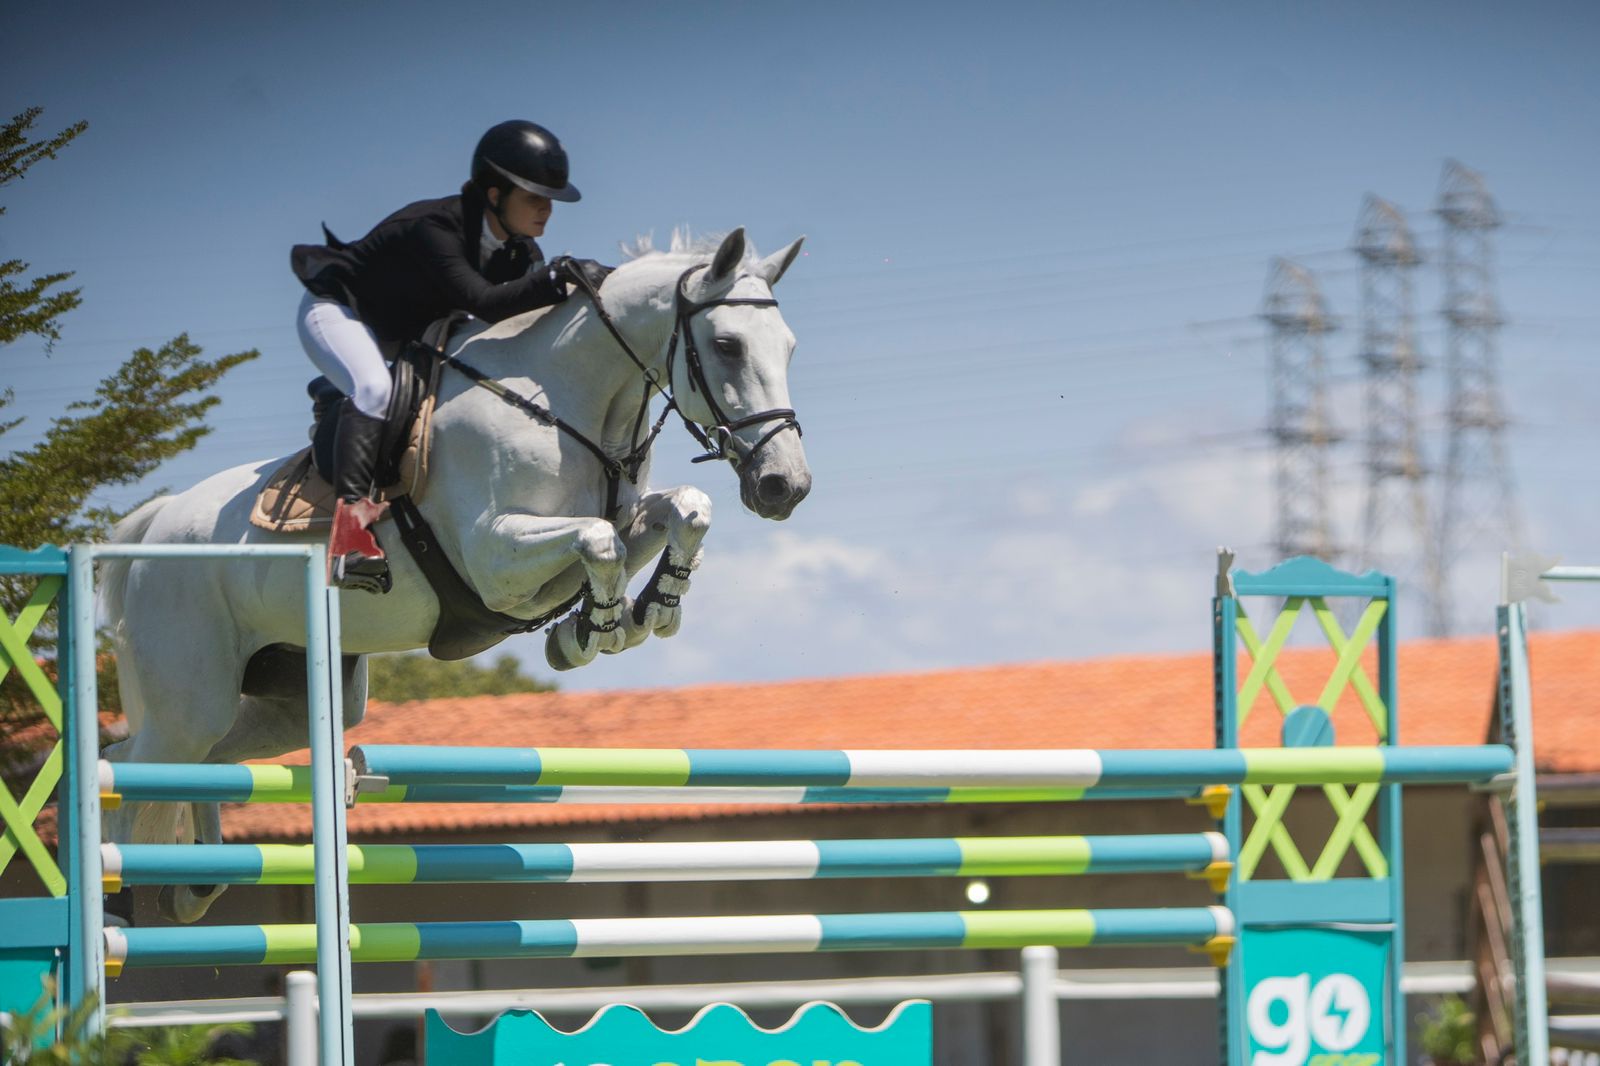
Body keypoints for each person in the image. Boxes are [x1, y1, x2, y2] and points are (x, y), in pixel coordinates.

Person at [290, 119, 610, 593]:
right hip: (340, 311)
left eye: (551, 199)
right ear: (495, 194)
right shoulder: (434, 227)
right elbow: (481, 301)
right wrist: (554, 279)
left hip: (406, 335)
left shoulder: (521, 251)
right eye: (533, 196)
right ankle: (349, 541)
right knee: (374, 388)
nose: (546, 208)